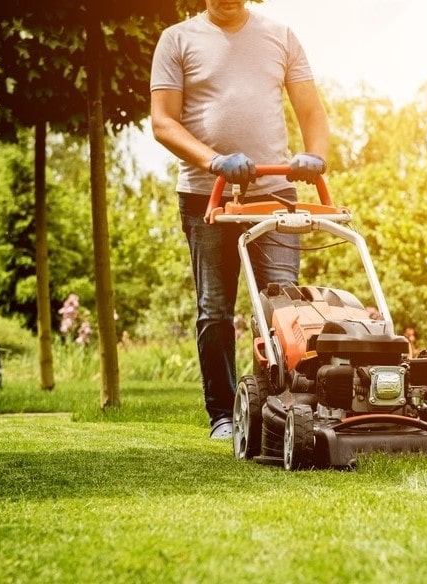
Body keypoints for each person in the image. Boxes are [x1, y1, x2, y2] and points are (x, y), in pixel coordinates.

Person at [150, 0, 330, 439]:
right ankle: (224, 416)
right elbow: (162, 122)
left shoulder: (280, 36)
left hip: (274, 194)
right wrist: (214, 161)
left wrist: (315, 155)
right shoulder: (177, 39)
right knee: (214, 309)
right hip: (205, 196)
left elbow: (312, 111)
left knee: (283, 308)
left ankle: (276, 408)